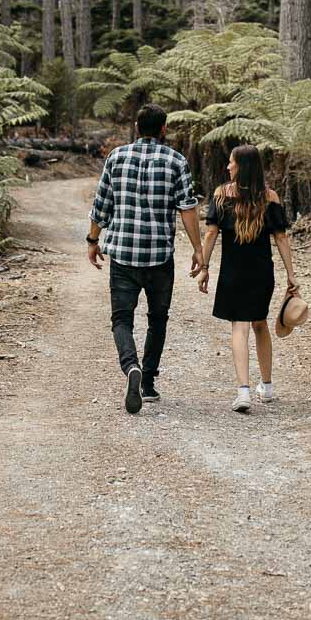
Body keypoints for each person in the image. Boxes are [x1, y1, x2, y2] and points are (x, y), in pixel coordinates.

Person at [87, 103, 203, 414]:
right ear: (163, 128)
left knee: (122, 319)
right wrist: (198, 249)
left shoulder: (117, 156)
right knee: (157, 318)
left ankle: (131, 367)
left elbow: (102, 204)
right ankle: (148, 382)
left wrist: (92, 240)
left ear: (137, 127)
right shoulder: (176, 161)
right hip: (159, 256)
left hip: (123, 256)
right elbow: (187, 208)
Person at [193, 144, 296, 413]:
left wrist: (204, 266)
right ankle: (268, 386)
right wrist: (291, 275)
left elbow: (211, 234)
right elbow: (281, 237)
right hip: (262, 272)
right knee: (259, 324)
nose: (228, 167)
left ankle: (244, 392)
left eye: (231, 163)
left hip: (233, 272)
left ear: (242, 166)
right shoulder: (270, 197)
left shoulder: (221, 195)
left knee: (240, 327)